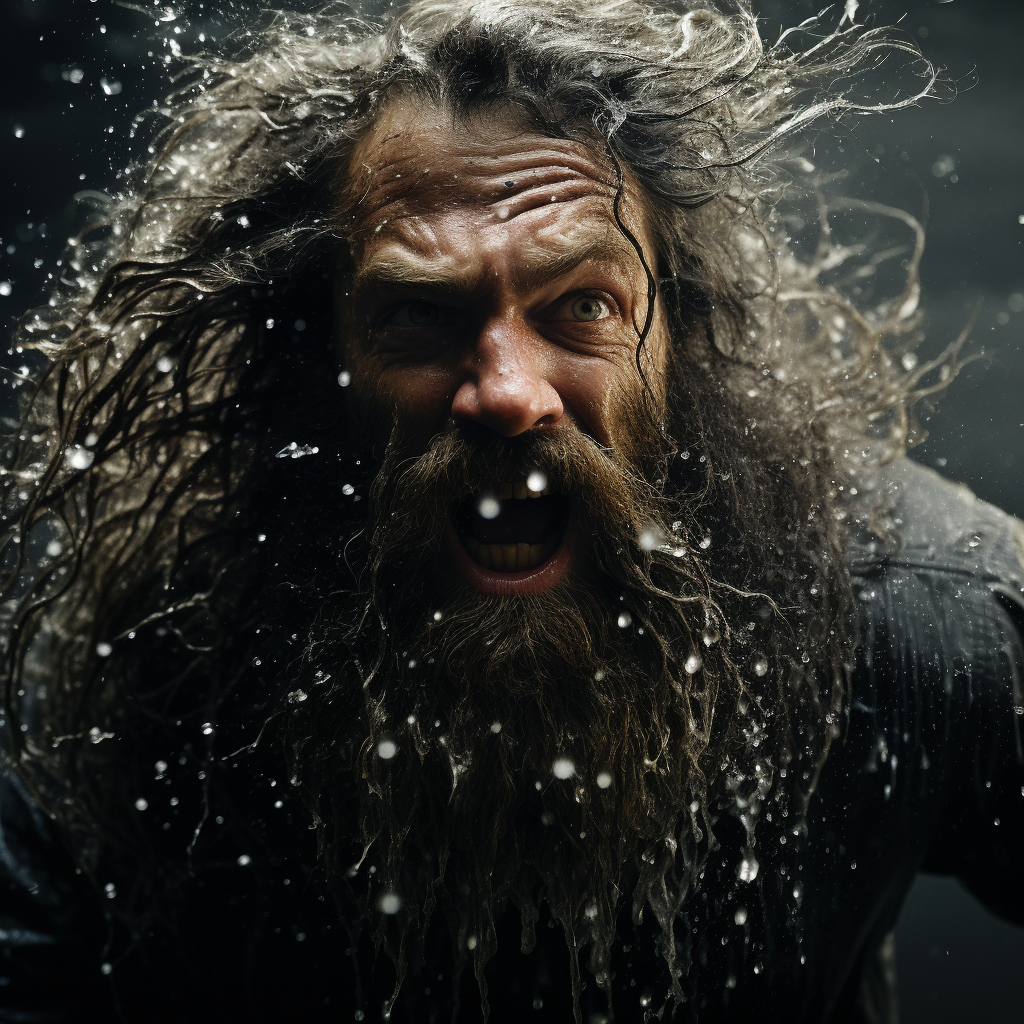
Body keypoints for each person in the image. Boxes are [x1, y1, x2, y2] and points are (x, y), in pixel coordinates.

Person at [0, 2, 1020, 1021]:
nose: (506, 390)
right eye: (418, 314)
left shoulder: (914, 620)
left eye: (582, 306)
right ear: (311, 362)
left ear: (681, 339)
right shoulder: (142, 683)